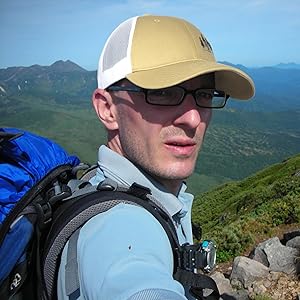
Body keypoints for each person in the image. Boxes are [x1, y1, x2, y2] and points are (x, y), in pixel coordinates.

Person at [57, 15, 255, 300]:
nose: (193, 117)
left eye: (204, 93)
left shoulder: (103, 187)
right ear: (107, 109)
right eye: (163, 92)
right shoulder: (119, 229)